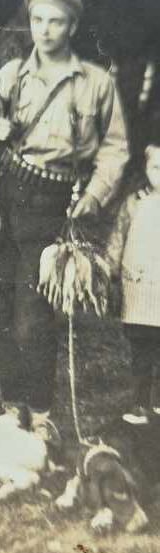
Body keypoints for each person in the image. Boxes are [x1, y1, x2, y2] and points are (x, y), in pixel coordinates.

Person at [0, 0, 129, 423]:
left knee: (32, 321)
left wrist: (95, 195)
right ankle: (11, 410)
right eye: (37, 19)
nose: (45, 29)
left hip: (52, 205)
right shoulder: (12, 74)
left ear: (72, 26)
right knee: (2, 313)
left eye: (56, 20)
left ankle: (40, 417)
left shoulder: (95, 84)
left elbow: (115, 150)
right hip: (2, 200)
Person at [105, 141, 160, 424]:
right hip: (139, 290)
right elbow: (118, 237)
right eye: (156, 168)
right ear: (146, 169)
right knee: (141, 348)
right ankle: (139, 403)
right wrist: (109, 269)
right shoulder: (134, 203)